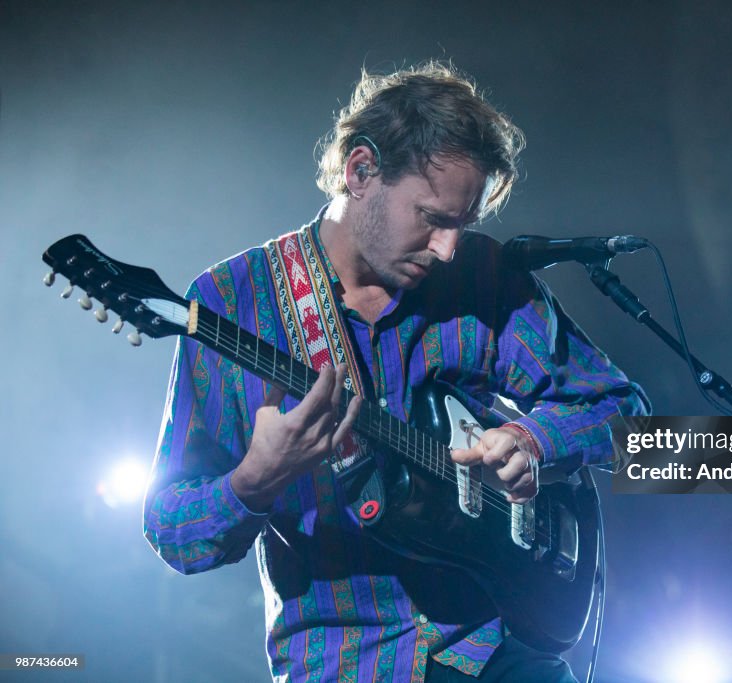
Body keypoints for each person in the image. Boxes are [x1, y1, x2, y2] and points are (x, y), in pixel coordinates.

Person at [143, 61, 650, 683]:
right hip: (343, 664)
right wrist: (255, 479)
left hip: (490, 648)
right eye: (433, 219)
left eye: (462, 226)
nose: (447, 250)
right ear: (361, 172)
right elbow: (172, 529)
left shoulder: (482, 278)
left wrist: (533, 441)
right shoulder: (234, 301)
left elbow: (623, 412)